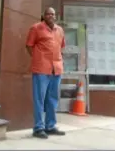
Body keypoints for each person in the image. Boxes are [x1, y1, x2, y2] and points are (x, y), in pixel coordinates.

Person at [26, 7, 66, 139]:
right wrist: (38, 59)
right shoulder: (36, 28)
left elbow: (61, 47)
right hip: (41, 69)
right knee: (39, 99)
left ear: (56, 16)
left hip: (56, 69)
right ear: (43, 15)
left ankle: (50, 126)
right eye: (48, 14)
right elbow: (29, 46)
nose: (50, 16)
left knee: (52, 99)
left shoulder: (60, 30)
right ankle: (38, 128)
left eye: (53, 14)